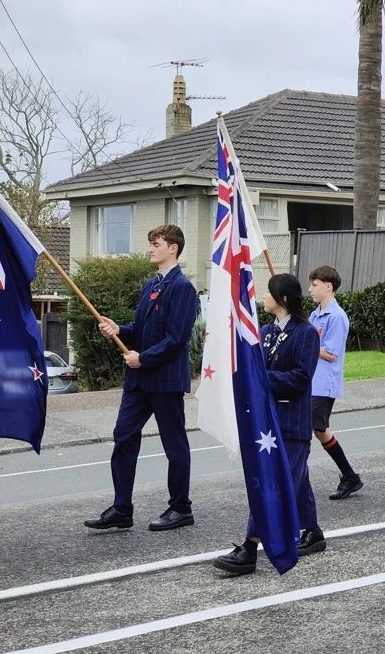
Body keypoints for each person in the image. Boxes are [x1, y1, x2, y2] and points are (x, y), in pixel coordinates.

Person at [85, 225, 198, 532]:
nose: (150, 249)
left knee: (174, 444)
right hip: (138, 381)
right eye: (150, 243)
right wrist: (119, 329)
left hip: (164, 380)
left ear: (173, 248)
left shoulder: (182, 287)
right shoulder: (150, 285)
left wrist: (143, 358)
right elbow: (141, 330)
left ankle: (181, 508)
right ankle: (122, 508)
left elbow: (177, 338)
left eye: (156, 244)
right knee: (123, 436)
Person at [213, 274, 325, 574]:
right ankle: (312, 530)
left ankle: (250, 546)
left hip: (290, 423)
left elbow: (300, 378)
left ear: (283, 299)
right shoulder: (264, 332)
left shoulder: (306, 334)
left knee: (273, 483)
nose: (263, 297)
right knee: (295, 478)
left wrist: (261, 379)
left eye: (269, 292)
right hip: (266, 421)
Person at [307, 265, 363, 500]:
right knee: (320, 431)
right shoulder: (315, 315)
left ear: (328, 287)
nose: (310, 289)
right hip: (311, 382)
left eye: (314, 285)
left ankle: (294, 480)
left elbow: (331, 353)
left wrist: (306, 345)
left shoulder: (336, 317)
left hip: (323, 383)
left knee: (309, 430)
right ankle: (350, 476)